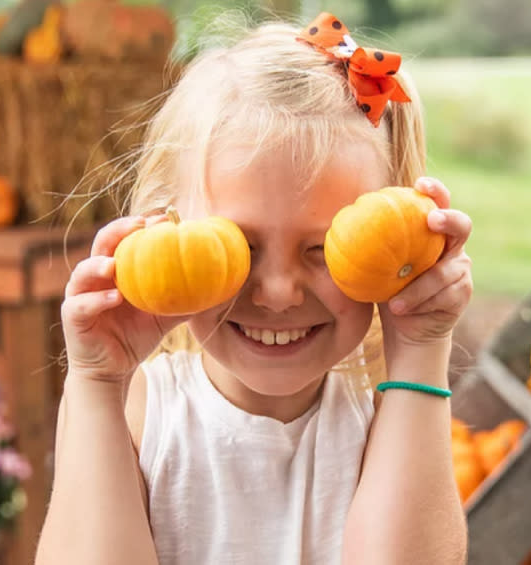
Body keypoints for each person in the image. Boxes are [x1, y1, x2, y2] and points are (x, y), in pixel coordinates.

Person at [36, 11, 473, 565]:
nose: (279, 292)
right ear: (162, 230)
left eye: (323, 249)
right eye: (238, 246)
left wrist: (420, 348)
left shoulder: (384, 429)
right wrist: (97, 383)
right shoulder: (143, 411)